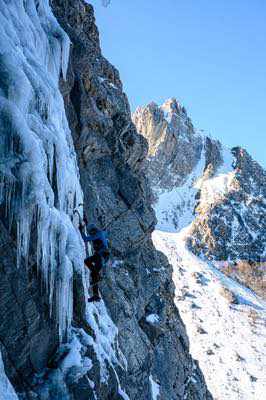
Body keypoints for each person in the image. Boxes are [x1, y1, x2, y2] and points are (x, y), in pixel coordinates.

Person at [79, 223, 109, 302]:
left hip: (100, 256)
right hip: (102, 257)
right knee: (94, 274)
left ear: (93, 230)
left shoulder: (98, 234)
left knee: (88, 262)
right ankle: (96, 295)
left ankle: (98, 276)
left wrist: (81, 230)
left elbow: (85, 239)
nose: (91, 233)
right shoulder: (101, 233)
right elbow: (106, 233)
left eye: (91, 232)